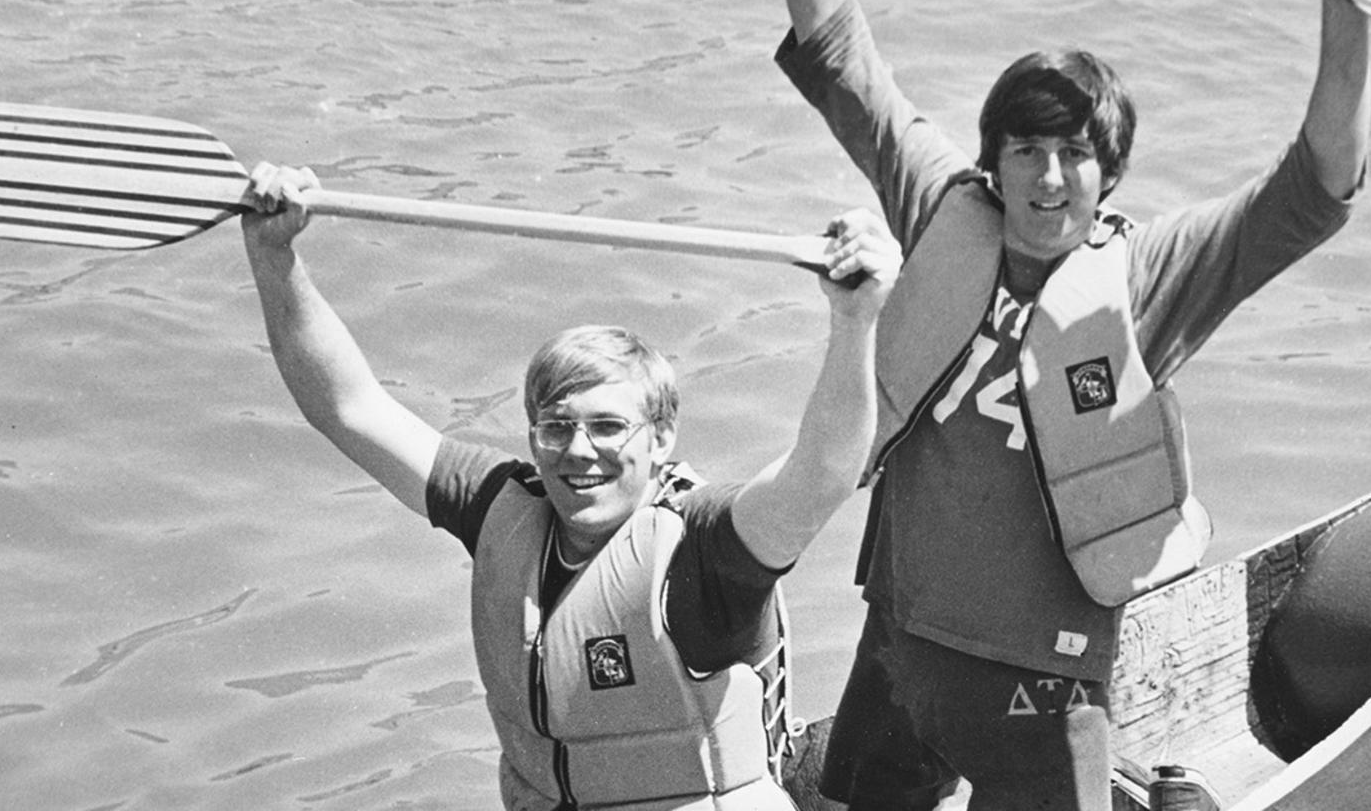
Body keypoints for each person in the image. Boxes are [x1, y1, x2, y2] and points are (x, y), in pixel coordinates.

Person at [773, 0, 1371, 809]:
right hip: (899, 644)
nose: (1050, 180)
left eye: (1077, 154)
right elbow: (835, 42)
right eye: (1026, 151)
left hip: (1040, 689)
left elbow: (1316, 189)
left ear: (1110, 171)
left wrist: (1343, 4)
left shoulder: (1154, 274)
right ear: (992, 161)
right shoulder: (940, 208)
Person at [238, 162, 903, 811]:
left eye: (608, 426)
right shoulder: (497, 506)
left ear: (662, 438)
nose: (578, 451)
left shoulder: (706, 550)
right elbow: (349, 408)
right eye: (555, 428)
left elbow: (818, 475)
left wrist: (855, 323)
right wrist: (274, 257)